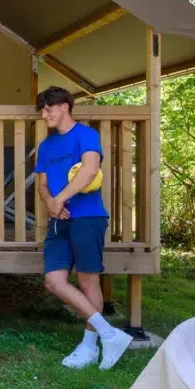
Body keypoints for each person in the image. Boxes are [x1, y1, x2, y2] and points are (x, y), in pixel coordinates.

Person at [35, 85, 132, 370]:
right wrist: (51, 202)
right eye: (42, 110)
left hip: (88, 216)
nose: (44, 115)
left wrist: (60, 198)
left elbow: (90, 170)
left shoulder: (86, 135)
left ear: (64, 106)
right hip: (58, 220)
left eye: (47, 109)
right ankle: (110, 334)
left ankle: (89, 347)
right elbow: (41, 184)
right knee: (53, 281)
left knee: (88, 281)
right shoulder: (46, 145)